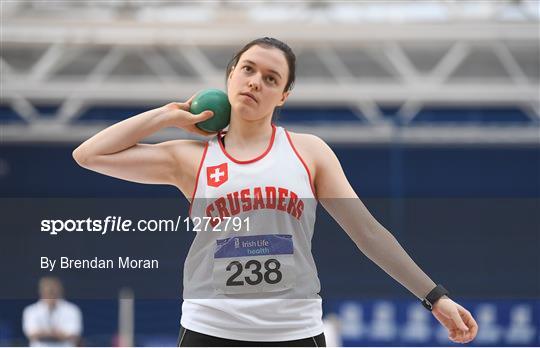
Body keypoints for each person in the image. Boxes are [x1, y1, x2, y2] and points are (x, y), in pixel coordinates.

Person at [73, 37, 478, 346]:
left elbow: (368, 233)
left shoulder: (308, 152)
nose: (255, 82)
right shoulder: (190, 159)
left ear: (283, 95)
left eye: (271, 79)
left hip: (294, 330)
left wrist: (434, 297)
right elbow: (88, 154)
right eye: (247, 69)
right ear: (230, 75)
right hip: (210, 326)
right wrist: (168, 115)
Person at [22, 277, 83, 347]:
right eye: (48, 292)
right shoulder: (31, 310)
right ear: (41, 292)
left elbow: (73, 334)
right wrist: (58, 334)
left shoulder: (72, 310)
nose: (50, 295)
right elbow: (32, 334)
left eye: (53, 292)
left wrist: (45, 333)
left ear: (60, 291)